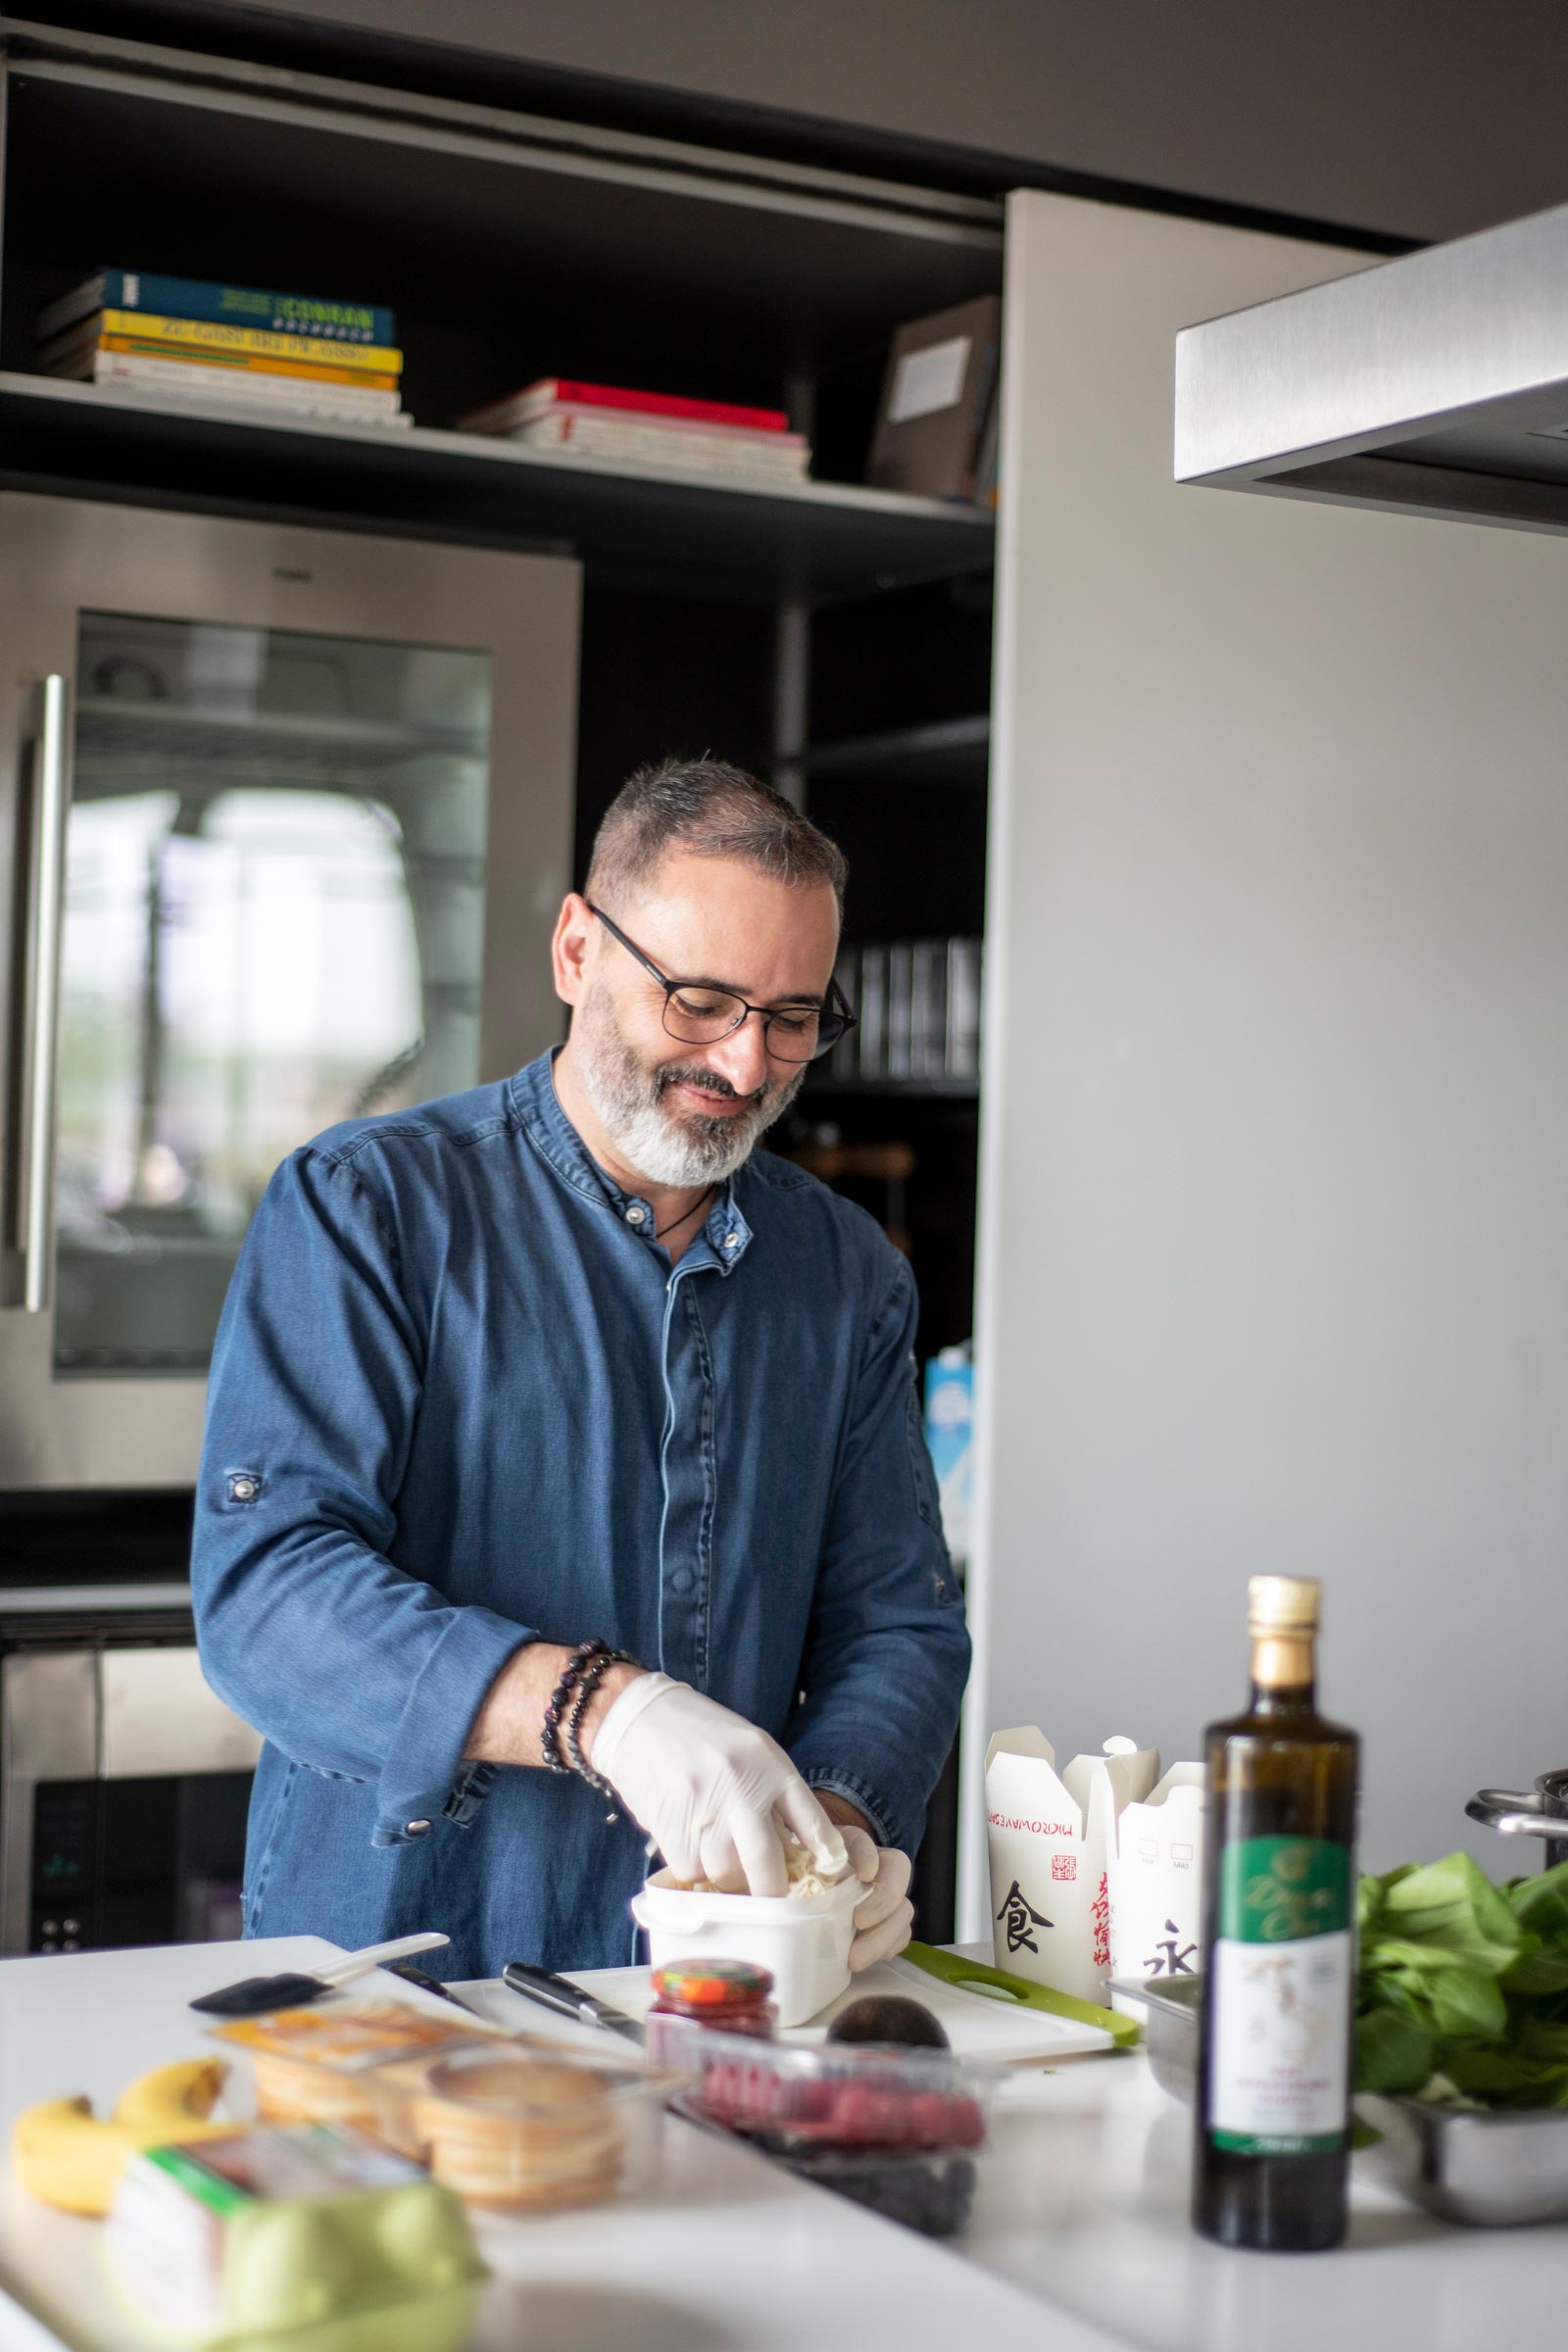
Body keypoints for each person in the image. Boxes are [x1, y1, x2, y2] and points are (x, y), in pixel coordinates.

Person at [192, 757, 971, 1981]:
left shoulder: (846, 1275)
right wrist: (603, 1711)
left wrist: (846, 1824)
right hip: (399, 1983)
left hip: (716, 1992)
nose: (748, 1066)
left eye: (791, 1018)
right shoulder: (369, 1206)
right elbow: (269, 1597)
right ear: (576, 951)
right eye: (701, 1000)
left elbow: (899, 1624)